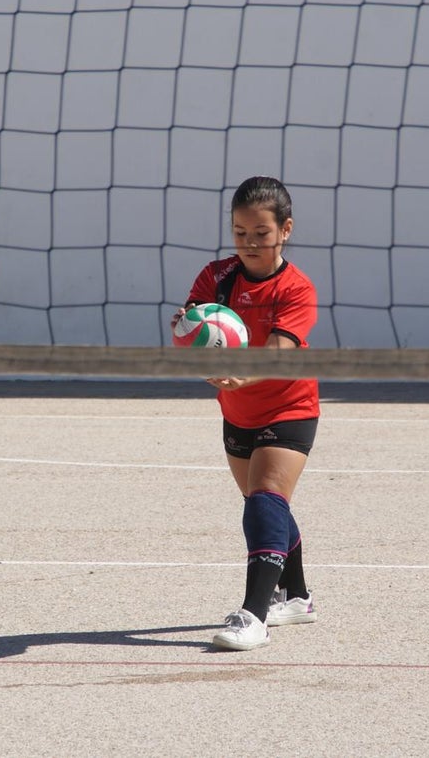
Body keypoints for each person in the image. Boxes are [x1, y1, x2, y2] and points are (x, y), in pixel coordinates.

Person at [171, 176, 320, 651]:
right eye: (240, 232)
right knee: (266, 506)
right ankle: (297, 598)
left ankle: (253, 616)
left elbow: (278, 351)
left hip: (289, 405)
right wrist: (188, 332)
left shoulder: (296, 289)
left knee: (264, 499)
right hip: (237, 409)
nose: (249, 243)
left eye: (261, 233)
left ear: (285, 230)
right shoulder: (217, 277)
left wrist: (242, 374)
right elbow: (196, 328)